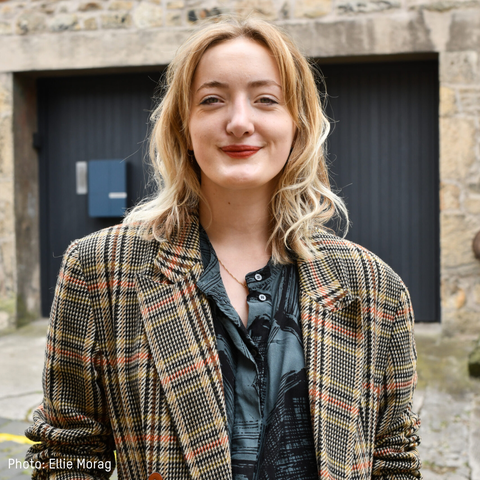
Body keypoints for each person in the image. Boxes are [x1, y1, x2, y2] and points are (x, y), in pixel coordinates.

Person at [26, 16, 421, 480]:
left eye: (265, 100)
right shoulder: (99, 271)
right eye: (212, 100)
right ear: (184, 127)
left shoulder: (373, 286)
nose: (239, 121)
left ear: (298, 124)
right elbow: (65, 457)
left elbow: (394, 458)